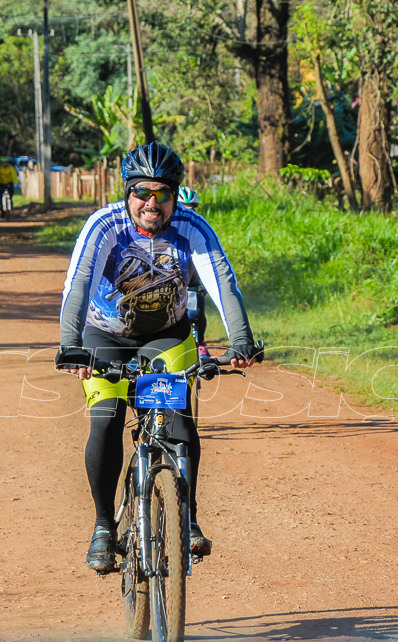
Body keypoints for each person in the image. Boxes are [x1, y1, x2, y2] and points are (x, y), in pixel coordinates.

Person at [55, 141, 261, 572]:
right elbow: (79, 284)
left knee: (180, 418)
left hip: (165, 337)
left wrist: (241, 339)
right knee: (107, 416)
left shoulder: (192, 227)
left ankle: (187, 520)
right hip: (104, 335)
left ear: (175, 195)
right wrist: (70, 343)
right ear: (127, 192)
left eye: (163, 194)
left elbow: (222, 282)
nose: (153, 203)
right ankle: (103, 526)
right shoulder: (105, 225)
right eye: (143, 193)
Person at [177, 186, 209, 357]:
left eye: (192, 208)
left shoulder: (198, 229)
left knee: (196, 312)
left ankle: (201, 342)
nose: (188, 212)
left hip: (193, 281)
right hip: (171, 281)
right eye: (183, 207)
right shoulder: (166, 230)